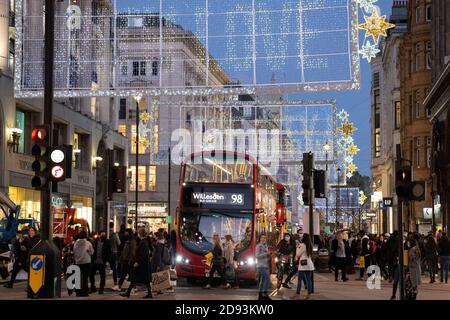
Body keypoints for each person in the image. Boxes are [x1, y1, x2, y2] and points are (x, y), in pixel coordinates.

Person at [120, 228, 153, 299]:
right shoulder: (144, 241)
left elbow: (143, 254)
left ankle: (128, 293)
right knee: (142, 279)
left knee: (135, 277)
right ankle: (128, 293)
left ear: (140, 234)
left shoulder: (143, 242)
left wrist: (137, 262)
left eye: (138, 233)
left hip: (142, 265)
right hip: (144, 264)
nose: (137, 234)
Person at [291, 233, 314, 300]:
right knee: (308, 280)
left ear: (304, 238)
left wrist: (297, 247)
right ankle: (309, 294)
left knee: (299, 280)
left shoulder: (303, 245)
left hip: (303, 265)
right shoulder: (310, 245)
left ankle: (297, 294)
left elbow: (298, 254)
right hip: (309, 265)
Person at [73, 230, 94, 297]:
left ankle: (78, 292)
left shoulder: (76, 243)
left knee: (78, 277)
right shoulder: (88, 243)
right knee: (85, 277)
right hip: (86, 261)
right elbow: (92, 252)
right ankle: (85, 292)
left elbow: (74, 251)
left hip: (78, 262)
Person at [255, 234, 271, 300]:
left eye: (265, 238)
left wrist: (269, 255)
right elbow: (257, 256)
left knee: (263, 279)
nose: (264, 239)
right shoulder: (258, 246)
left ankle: (261, 294)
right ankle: (264, 294)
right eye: (263, 238)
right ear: (260, 239)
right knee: (266, 279)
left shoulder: (265, 246)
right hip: (261, 265)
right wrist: (266, 254)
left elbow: (266, 255)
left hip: (265, 264)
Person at [109, 222, 121, 286]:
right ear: (113, 226)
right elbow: (119, 243)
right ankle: (115, 282)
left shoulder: (106, 233)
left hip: (107, 253)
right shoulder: (115, 234)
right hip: (114, 252)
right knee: (114, 267)